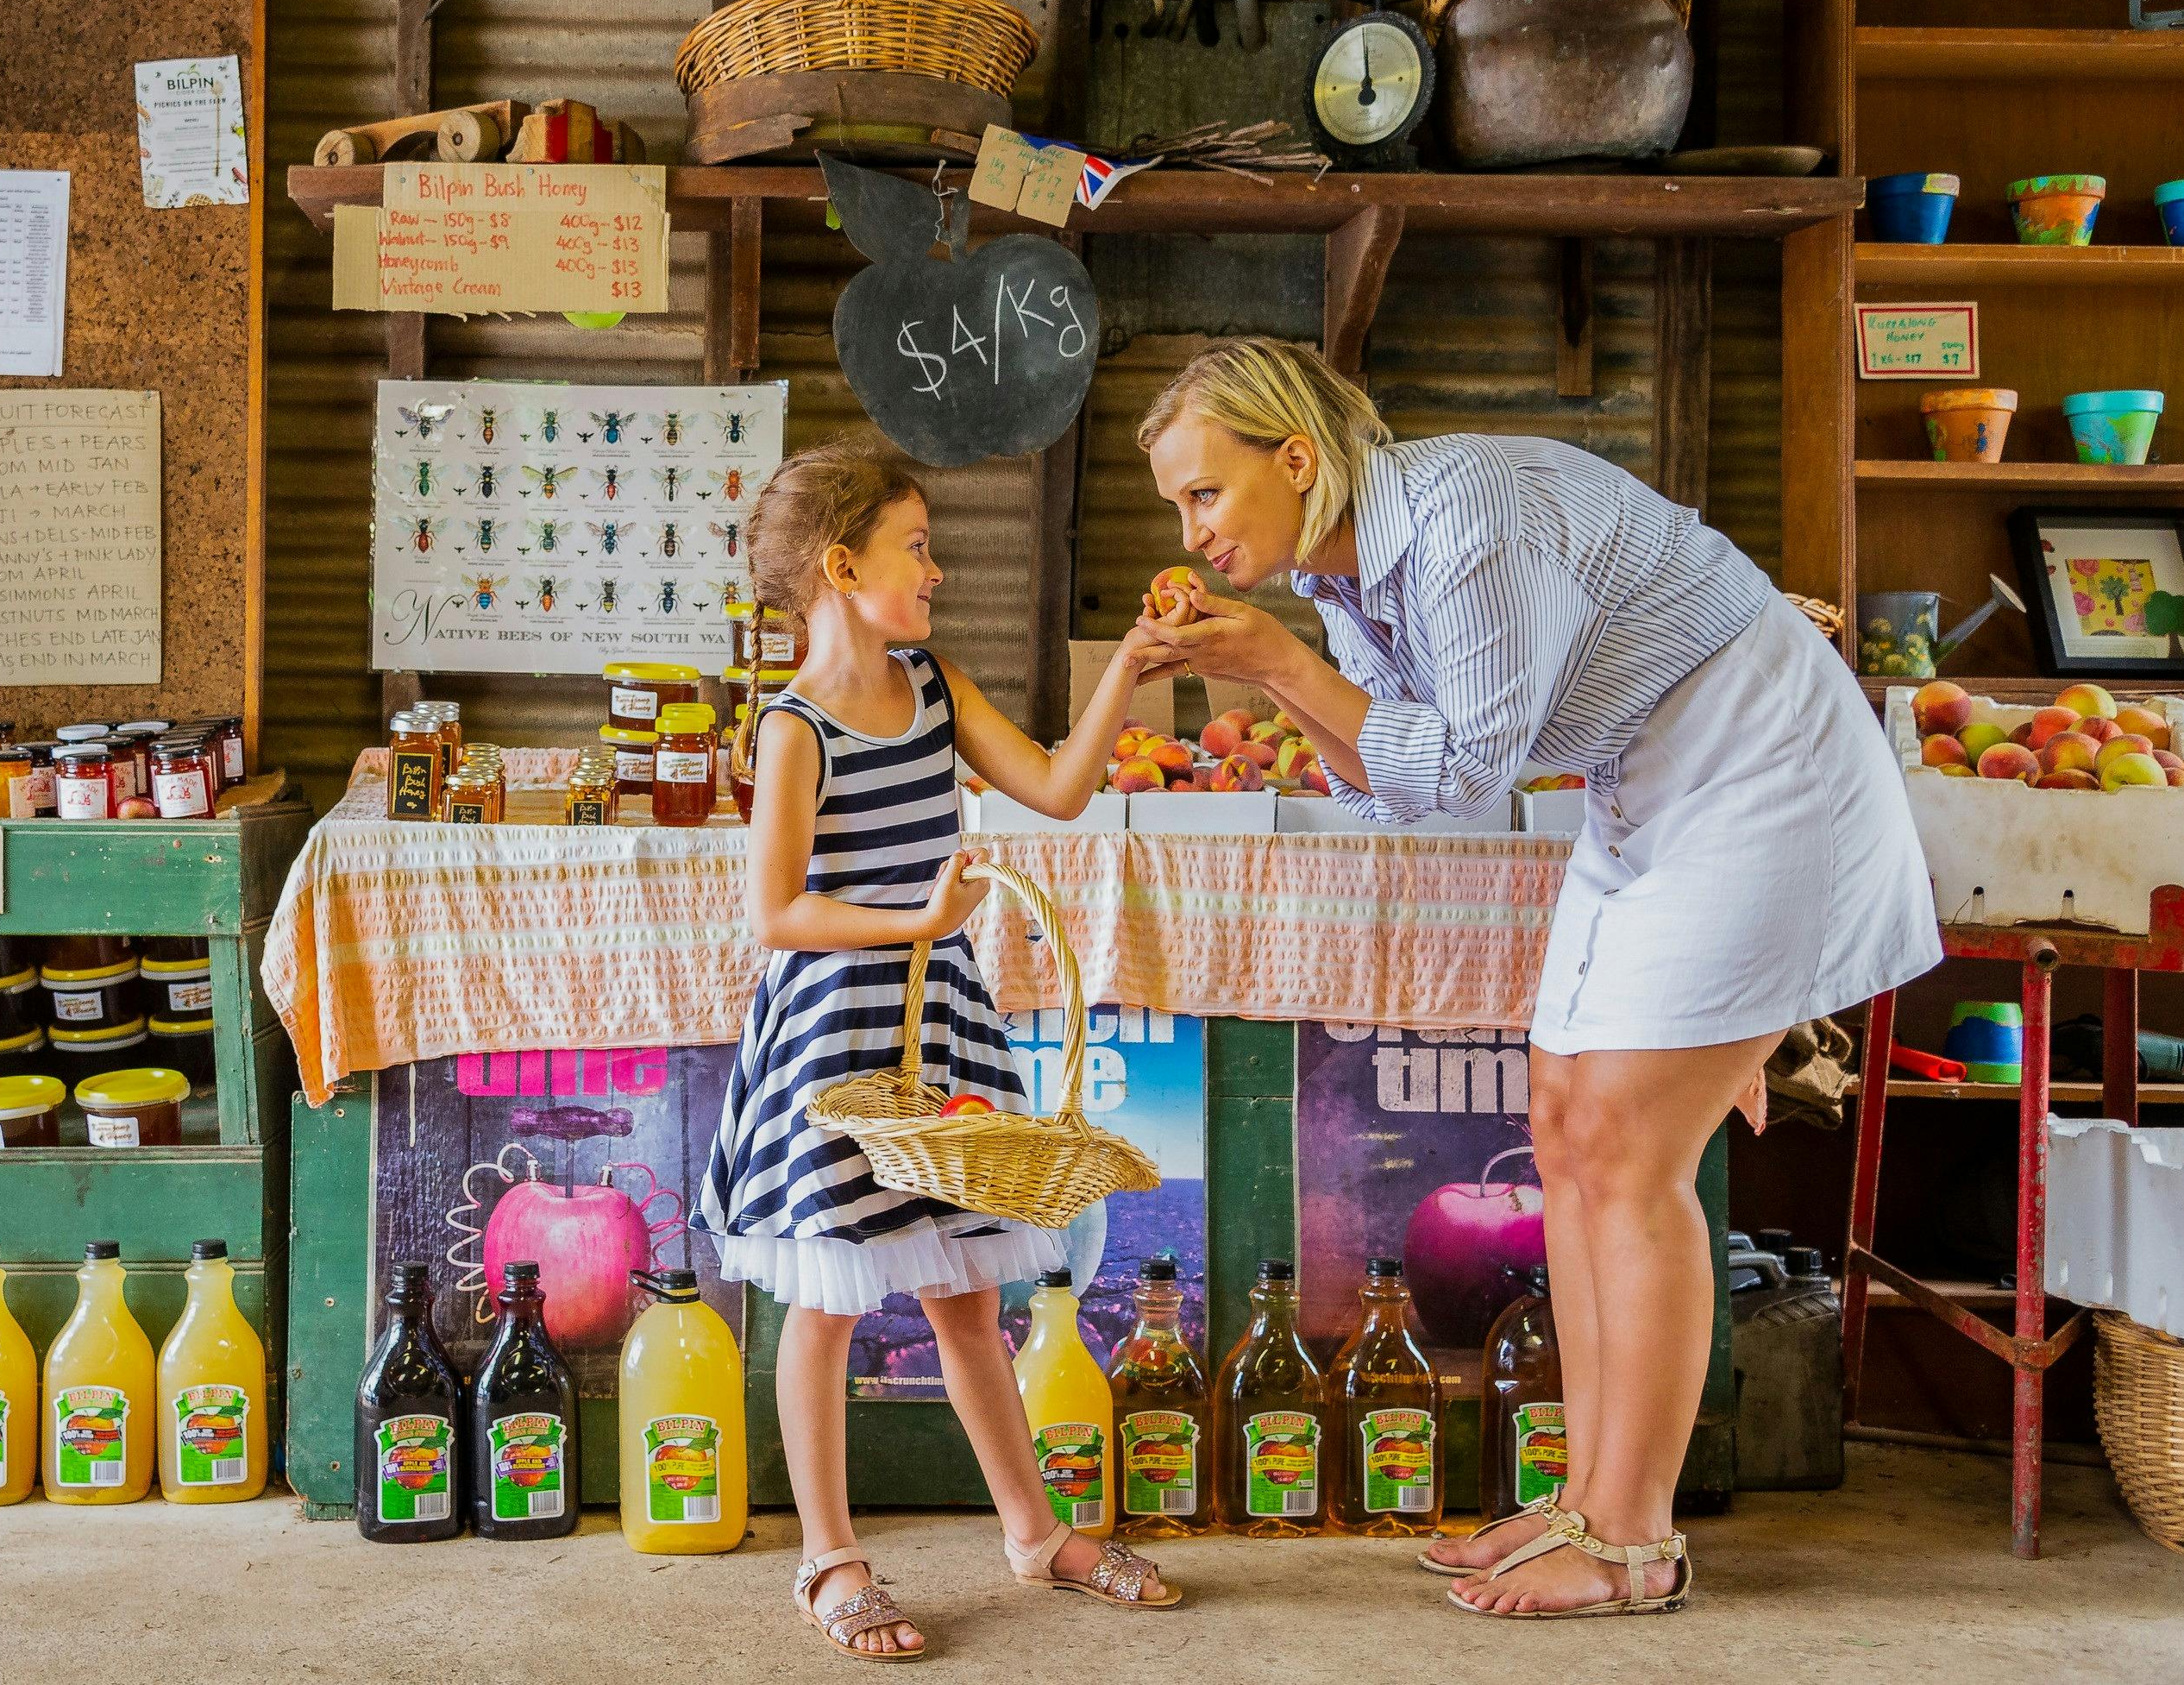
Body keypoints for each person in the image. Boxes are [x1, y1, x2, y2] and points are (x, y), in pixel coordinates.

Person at [1132, 336, 1936, 1619]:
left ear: (1294, 460)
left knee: (1627, 1149)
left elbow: (1461, 772)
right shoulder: (1349, 572)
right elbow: (1381, 780)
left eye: (1204, 492)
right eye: (1178, 504)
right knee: (1562, 1127)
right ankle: (1580, 1498)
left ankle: (1631, 1538)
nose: (1190, 528)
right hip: (1646, 782)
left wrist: (1276, 667)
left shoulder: (1462, 525)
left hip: (1758, 765)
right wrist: (1282, 666)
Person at [696, 437, 1187, 1662]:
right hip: (831, 1034)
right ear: (841, 562)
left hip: (934, 1021)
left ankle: (1033, 1531)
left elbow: (1060, 788)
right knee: (823, 1306)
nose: (936, 570)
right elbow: (776, 915)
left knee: (966, 1294)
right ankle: (828, 1556)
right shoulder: (794, 729)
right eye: (916, 546)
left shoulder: (932, 685)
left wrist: (1127, 661)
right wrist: (917, 915)